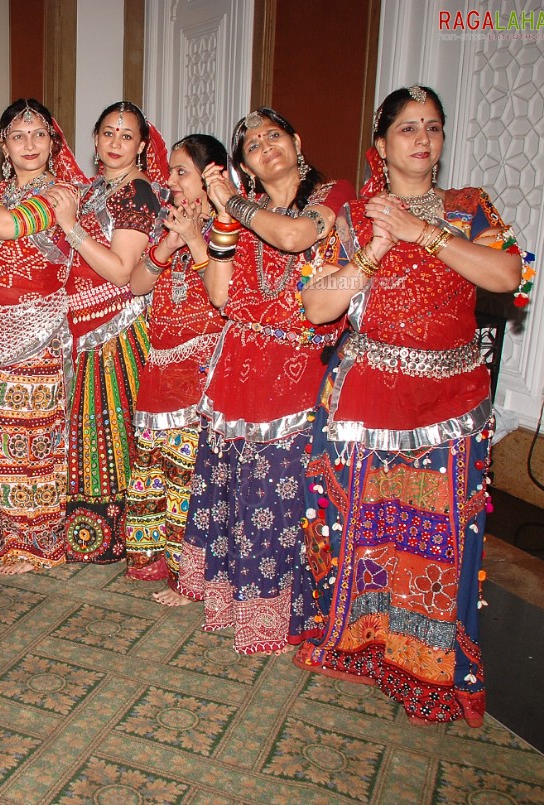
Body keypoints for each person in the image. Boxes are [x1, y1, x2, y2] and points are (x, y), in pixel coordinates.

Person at [296, 86, 524, 726]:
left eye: (433, 127)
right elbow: (319, 307)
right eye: (408, 129)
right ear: (382, 146)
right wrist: (376, 242)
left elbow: (508, 277)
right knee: (364, 532)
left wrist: (424, 233)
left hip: (448, 402)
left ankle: (426, 663)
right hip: (368, 398)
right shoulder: (352, 217)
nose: (423, 139)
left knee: (436, 542)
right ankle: (358, 642)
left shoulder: (468, 207)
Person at [174, 108, 353, 654]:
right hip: (238, 367)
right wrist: (223, 223)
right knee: (232, 491)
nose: (265, 147)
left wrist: (231, 202)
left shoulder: (333, 196)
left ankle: (279, 617)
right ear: (245, 164)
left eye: (273, 135)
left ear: (297, 141)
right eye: (251, 145)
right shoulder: (241, 215)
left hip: (298, 369)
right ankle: (230, 601)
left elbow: (296, 237)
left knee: (278, 495)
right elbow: (223, 295)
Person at [0, 99, 87, 574]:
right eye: (19, 136)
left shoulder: (59, 195)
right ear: (3, 144)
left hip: (37, 332)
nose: (29, 145)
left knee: (33, 441)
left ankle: (40, 545)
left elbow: (5, 226)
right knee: (1, 440)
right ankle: (13, 537)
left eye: (39, 135)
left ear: (53, 143)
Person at [49, 101, 166, 565]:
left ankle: (123, 540)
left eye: (126, 135)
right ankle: (95, 536)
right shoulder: (95, 188)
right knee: (92, 434)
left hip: (119, 331)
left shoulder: (137, 192)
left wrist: (71, 228)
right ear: (95, 140)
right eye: (108, 133)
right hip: (83, 330)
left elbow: (121, 271)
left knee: (115, 434)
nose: (116, 143)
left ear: (141, 145)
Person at [124, 135, 228, 597]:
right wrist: (168, 243)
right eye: (170, 172)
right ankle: (156, 562)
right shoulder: (165, 224)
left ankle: (190, 576)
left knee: (189, 477)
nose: (169, 181)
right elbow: (137, 284)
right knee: (158, 471)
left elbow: (222, 296)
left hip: (200, 371)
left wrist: (194, 238)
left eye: (181, 172)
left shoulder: (231, 229)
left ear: (210, 179)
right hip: (160, 370)